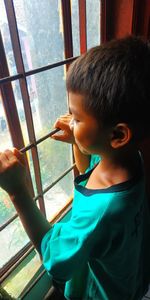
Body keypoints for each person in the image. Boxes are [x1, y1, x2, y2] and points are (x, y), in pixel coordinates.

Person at [0, 36, 150, 300]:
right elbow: (89, 171)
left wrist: (17, 192)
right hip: (128, 279)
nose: (71, 121)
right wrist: (80, 143)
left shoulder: (102, 212)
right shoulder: (129, 159)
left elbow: (56, 259)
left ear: (117, 135)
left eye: (78, 118)